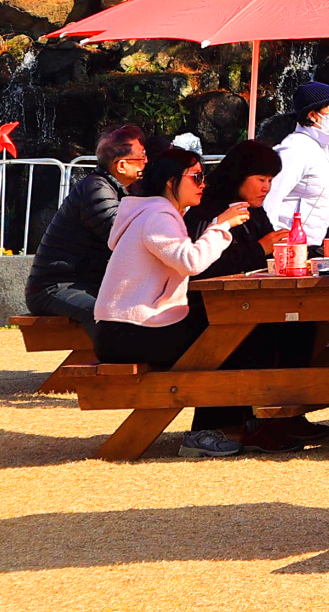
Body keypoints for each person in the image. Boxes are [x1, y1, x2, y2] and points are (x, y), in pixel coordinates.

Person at [94, 145, 259, 457]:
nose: (203, 184)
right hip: (129, 331)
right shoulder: (157, 215)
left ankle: (234, 421)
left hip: (127, 327)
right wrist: (220, 226)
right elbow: (191, 261)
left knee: (228, 327)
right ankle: (209, 431)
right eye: (196, 177)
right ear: (172, 182)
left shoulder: (154, 212)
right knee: (227, 333)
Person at [182, 140, 329, 453]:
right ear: (239, 175)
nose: (266, 188)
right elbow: (203, 266)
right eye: (261, 180)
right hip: (208, 307)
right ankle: (230, 424)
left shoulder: (255, 210)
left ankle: (284, 414)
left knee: (302, 323)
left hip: (250, 302)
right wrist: (262, 248)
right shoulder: (209, 210)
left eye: (270, 181)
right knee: (254, 335)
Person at [28, 123, 147, 325]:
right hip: (55, 286)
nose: (146, 162)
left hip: (84, 282)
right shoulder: (96, 190)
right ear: (121, 165)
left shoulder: (116, 189)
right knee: (107, 318)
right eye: (141, 157)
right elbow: (122, 237)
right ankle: (119, 356)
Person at [266, 81, 329, 245]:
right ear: (312, 115)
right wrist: (272, 246)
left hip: (312, 243)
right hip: (290, 245)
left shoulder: (325, 147)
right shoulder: (296, 149)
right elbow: (270, 197)